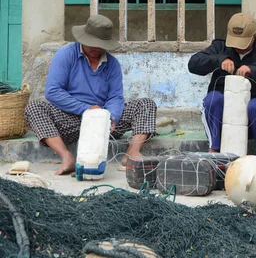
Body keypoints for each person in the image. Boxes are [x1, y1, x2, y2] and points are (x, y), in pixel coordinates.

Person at [25, 15, 157, 175]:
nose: (96, 47)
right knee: (34, 107)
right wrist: (87, 109)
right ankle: (67, 157)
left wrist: (110, 117)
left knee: (145, 104)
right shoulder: (66, 55)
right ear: (83, 38)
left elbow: (115, 97)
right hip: (70, 119)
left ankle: (132, 153)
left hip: (102, 124)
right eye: (92, 43)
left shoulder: (112, 64)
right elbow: (53, 92)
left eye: (100, 44)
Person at [188, 12, 256, 156]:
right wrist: (220, 60)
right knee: (213, 99)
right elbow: (194, 64)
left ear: (255, 34)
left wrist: (253, 70)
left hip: (252, 122)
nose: (238, 47)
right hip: (221, 120)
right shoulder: (220, 47)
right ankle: (215, 150)